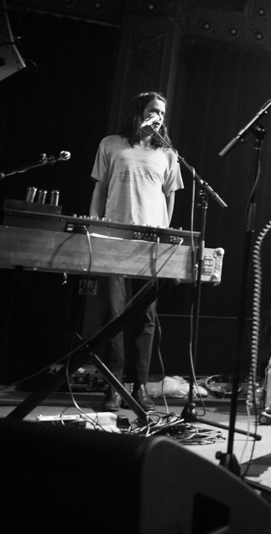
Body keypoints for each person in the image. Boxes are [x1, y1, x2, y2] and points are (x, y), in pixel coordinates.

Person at [89, 91, 183, 412]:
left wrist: (165, 234)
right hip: (114, 239)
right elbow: (99, 189)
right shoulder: (111, 144)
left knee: (145, 318)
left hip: (150, 244)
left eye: (162, 113)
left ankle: (139, 386)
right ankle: (113, 386)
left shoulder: (167, 153)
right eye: (153, 110)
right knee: (112, 315)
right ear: (138, 111)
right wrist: (95, 230)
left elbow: (170, 197)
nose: (158, 116)